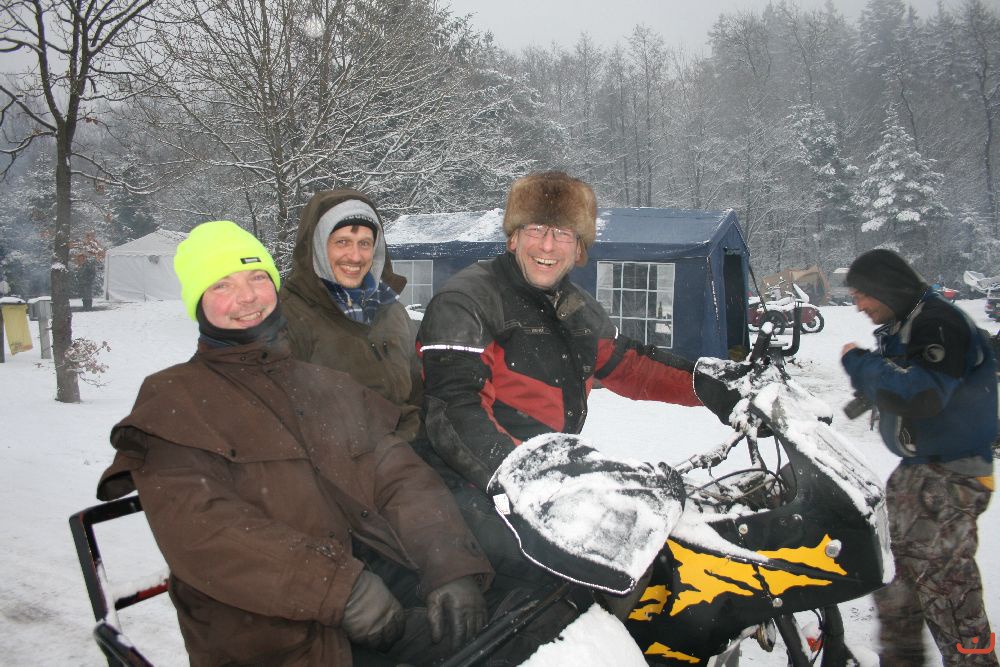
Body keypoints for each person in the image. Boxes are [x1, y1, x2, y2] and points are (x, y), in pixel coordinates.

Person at [96, 220, 492, 667]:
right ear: (197, 302)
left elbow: (400, 477)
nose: (247, 297)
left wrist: (449, 563)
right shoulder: (175, 401)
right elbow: (205, 531)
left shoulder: (324, 385)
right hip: (266, 639)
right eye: (222, 285)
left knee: (507, 635)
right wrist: (339, 588)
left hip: (374, 602)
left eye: (257, 278)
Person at [414, 171, 746, 656]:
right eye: (535, 229)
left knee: (653, 548)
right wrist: (524, 480)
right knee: (568, 594)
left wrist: (716, 387)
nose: (548, 245)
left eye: (563, 233)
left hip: (539, 479)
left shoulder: (575, 308)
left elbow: (630, 364)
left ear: (580, 249)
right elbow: (454, 413)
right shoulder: (467, 300)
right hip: (468, 488)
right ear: (513, 238)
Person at [840, 248, 997, 666]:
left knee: (947, 586)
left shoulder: (937, 322)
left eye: (861, 295)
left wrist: (858, 363)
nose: (859, 306)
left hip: (950, 476)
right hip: (919, 470)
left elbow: (922, 395)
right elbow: (902, 380)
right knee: (901, 583)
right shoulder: (907, 323)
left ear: (885, 287)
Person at [281, 189, 423, 441]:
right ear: (318, 246)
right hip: (343, 457)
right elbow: (286, 424)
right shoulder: (288, 317)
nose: (355, 256)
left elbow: (420, 391)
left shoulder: (391, 309)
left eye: (364, 243)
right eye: (342, 242)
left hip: (410, 451)